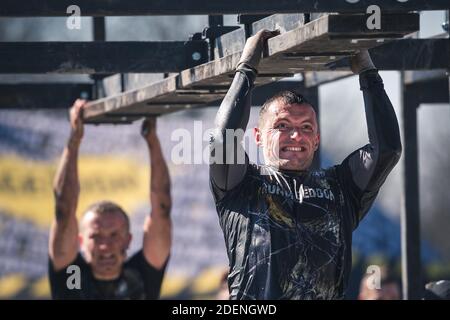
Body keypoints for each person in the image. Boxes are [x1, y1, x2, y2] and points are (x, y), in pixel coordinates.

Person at [209, 30, 402, 300]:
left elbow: (387, 150)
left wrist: (368, 72)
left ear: (316, 139)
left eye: (306, 127)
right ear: (258, 137)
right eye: (282, 126)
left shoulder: (341, 188)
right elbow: (221, 140)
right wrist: (247, 69)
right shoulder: (241, 185)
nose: (296, 136)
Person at [48, 100, 172, 299]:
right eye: (95, 237)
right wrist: (74, 140)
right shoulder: (73, 277)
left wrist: (152, 140)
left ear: (128, 239)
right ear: (79, 241)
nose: (105, 246)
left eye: (114, 235)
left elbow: (162, 209)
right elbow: (63, 211)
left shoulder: (140, 276)